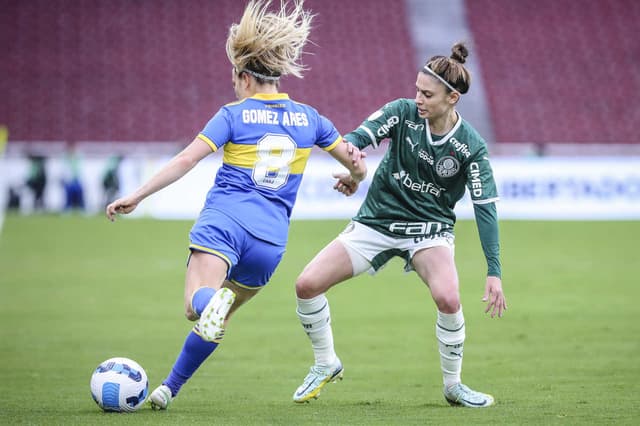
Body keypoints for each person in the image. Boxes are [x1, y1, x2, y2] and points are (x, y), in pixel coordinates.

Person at [105, 0, 366, 410]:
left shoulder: (233, 114)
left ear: (245, 77)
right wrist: (353, 180)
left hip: (225, 221)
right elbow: (356, 161)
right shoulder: (311, 119)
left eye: (234, 77)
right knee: (216, 322)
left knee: (199, 308)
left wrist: (137, 195)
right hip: (270, 243)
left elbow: (186, 159)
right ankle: (168, 389)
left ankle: (211, 301)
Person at [292, 42, 507, 408]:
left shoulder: (471, 147)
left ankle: (453, 385)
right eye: (416, 91)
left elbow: (485, 208)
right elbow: (357, 140)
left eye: (427, 94)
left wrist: (494, 271)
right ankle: (325, 363)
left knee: (448, 297)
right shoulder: (402, 113)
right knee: (306, 284)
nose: (418, 99)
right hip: (377, 221)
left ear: (452, 97)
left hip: (429, 230)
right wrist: (354, 168)